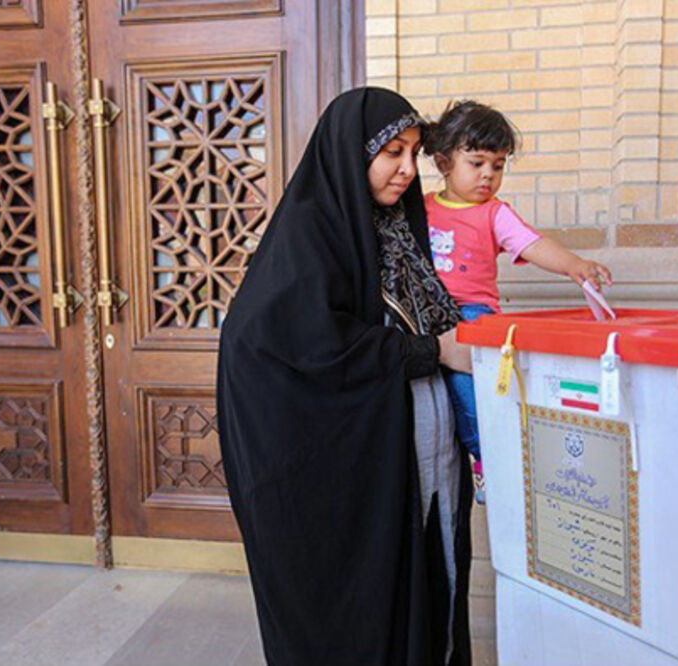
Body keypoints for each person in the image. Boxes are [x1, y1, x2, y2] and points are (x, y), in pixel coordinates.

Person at [216, 87, 474, 666]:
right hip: (362, 466)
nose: (408, 170)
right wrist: (428, 352)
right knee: (370, 607)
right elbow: (283, 342)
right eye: (392, 153)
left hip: (424, 452)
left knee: (430, 581)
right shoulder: (310, 232)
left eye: (414, 153)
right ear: (350, 153)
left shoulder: (395, 228)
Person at [423, 100, 613, 503]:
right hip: (426, 316)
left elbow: (533, 244)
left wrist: (574, 265)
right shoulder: (421, 208)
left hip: (474, 318)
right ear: (443, 163)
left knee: (467, 388)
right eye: (477, 163)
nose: (488, 175)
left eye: (498, 165)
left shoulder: (495, 214)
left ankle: (487, 460)